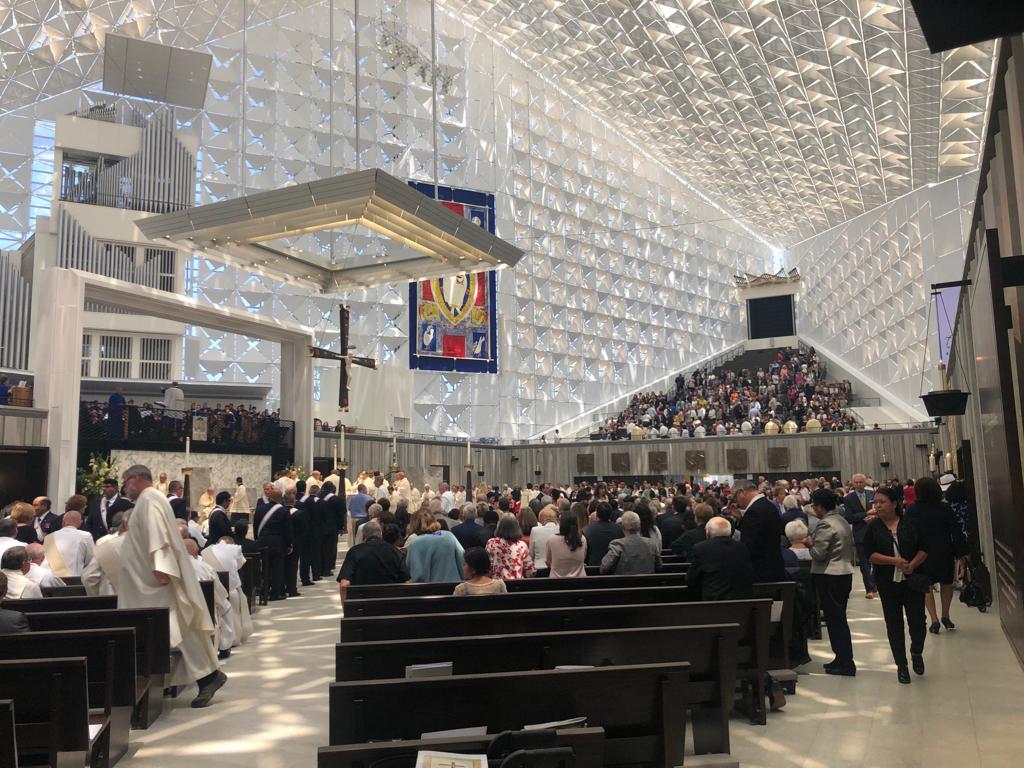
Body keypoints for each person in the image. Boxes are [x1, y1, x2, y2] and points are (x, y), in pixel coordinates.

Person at [118, 464, 225, 707]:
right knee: (177, 631)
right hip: (145, 584)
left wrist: (162, 568)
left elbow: (160, 536)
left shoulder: (151, 499)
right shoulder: (146, 500)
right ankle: (206, 677)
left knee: (179, 630)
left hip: (155, 584)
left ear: (135, 479)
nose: (124, 487)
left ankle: (208, 676)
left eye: (125, 482)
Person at [863, 486, 928, 684]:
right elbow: (870, 554)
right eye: (875, 502)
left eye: (882, 502)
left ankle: (916, 651)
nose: (878, 506)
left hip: (912, 580)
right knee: (894, 624)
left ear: (894, 503)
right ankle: (901, 665)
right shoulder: (874, 527)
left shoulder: (911, 523)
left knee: (918, 621)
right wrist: (894, 561)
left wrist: (912, 564)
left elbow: (924, 548)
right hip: (888, 582)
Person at [906, 476, 968, 634]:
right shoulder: (944, 508)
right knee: (947, 583)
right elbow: (955, 530)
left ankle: (933, 619)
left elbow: (908, 532)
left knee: (926, 586)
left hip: (922, 552)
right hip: (944, 550)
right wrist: (962, 552)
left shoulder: (913, 509)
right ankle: (945, 615)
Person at [808, 488, 856, 676]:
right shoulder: (842, 520)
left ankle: (845, 661)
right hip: (844, 573)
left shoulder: (825, 524)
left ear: (820, 506)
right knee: (839, 618)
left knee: (836, 620)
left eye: (814, 505)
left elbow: (819, 553)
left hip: (830, 575)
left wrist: (808, 544)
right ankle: (842, 658)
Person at [337, 520, 410, 602]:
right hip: (391, 605)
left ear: (363, 536)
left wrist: (346, 610)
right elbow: (407, 581)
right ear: (381, 535)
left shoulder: (354, 552)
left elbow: (344, 585)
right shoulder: (394, 551)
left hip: (362, 607)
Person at [687, 517, 754, 600]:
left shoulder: (701, 548)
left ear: (708, 533)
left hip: (713, 601)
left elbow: (692, 578)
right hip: (741, 600)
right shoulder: (742, 547)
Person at [734, 480, 786, 582]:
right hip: (774, 567)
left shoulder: (754, 511)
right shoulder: (769, 505)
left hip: (761, 572)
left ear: (742, 492)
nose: (736, 501)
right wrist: (741, 519)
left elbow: (750, 545)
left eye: (735, 496)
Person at [254, 487, 292, 600]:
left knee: (265, 568)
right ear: (281, 498)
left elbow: (256, 526)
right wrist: (289, 544)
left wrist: (258, 540)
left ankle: (264, 591)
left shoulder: (260, 509)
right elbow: (287, 529)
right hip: (277, 543)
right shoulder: (284, 510)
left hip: (262, 542)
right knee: (277, 568)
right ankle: (276, 593)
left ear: (269, 497)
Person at [843, 474, 877, 599]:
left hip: (875, 531)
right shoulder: (849, 498)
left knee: (878, 562)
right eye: (856, 482)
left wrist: (874, 516)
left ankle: (875, 584)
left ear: (865, 482)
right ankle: (869, 588)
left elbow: (879, 509)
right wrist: (865, 515)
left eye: (861, 482)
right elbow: (849, 518)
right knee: (864, 564)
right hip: (860, 534)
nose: (859, 484)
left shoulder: (871, 494)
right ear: (853, 483)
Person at [43, 508, 95, 577]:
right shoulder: (85, 536)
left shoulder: (48, 537)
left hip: (51, 580)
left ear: (63, 522)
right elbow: (91, 560)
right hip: (74, 580)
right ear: (80, 523)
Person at [486, 513, 536, 580]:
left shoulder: (491, 543)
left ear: (499, 526)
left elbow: (488, 567)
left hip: (497, 585)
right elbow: (530, 571)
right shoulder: (522, 545)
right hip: (517, 585)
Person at [546, 509, 587, 578]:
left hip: (556, 582)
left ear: (561, 524)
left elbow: (549, 561)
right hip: (579, 582)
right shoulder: (582, 539)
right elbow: (583, 558)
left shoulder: (551, 539)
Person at [583, 501, 623, 565]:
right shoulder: (620, 529)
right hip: (614, 568)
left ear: (597, 515)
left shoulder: (587, 530)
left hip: (593, 568)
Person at [318, 481, 344, 576]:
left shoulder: (318, 498)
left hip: (319, 527)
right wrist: (341, 527)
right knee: (330, 548)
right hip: (332, 527)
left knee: (320, 548)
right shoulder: (337, 499)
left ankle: (319, 568)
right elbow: (341, 514)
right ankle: (327, 569)